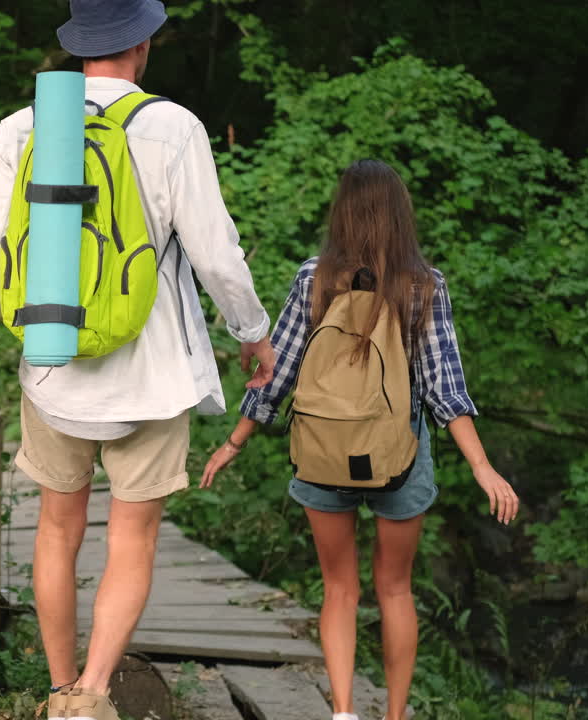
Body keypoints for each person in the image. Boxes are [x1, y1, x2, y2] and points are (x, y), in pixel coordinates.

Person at [0, 1, 275, 718]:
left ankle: (59, 690)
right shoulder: (173, 128)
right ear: (143, 44)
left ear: (76, 46)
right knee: (133, 536)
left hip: (52, 368)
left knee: (57, 529)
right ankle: (94, 693)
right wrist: (253, 331)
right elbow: (217, 253)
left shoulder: (24, 126)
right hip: (152, 379)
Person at [200, 159, 520, 720]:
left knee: (339, 589)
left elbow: (279, 371)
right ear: (400, 213)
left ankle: (344, 712)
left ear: (342, 212)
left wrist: (236, 441)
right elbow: (443, 388)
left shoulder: (312, 279)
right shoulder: (423, 286)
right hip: (401, 455)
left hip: (322, 454)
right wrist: (482, 466)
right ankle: (394, 716)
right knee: (394, 589)